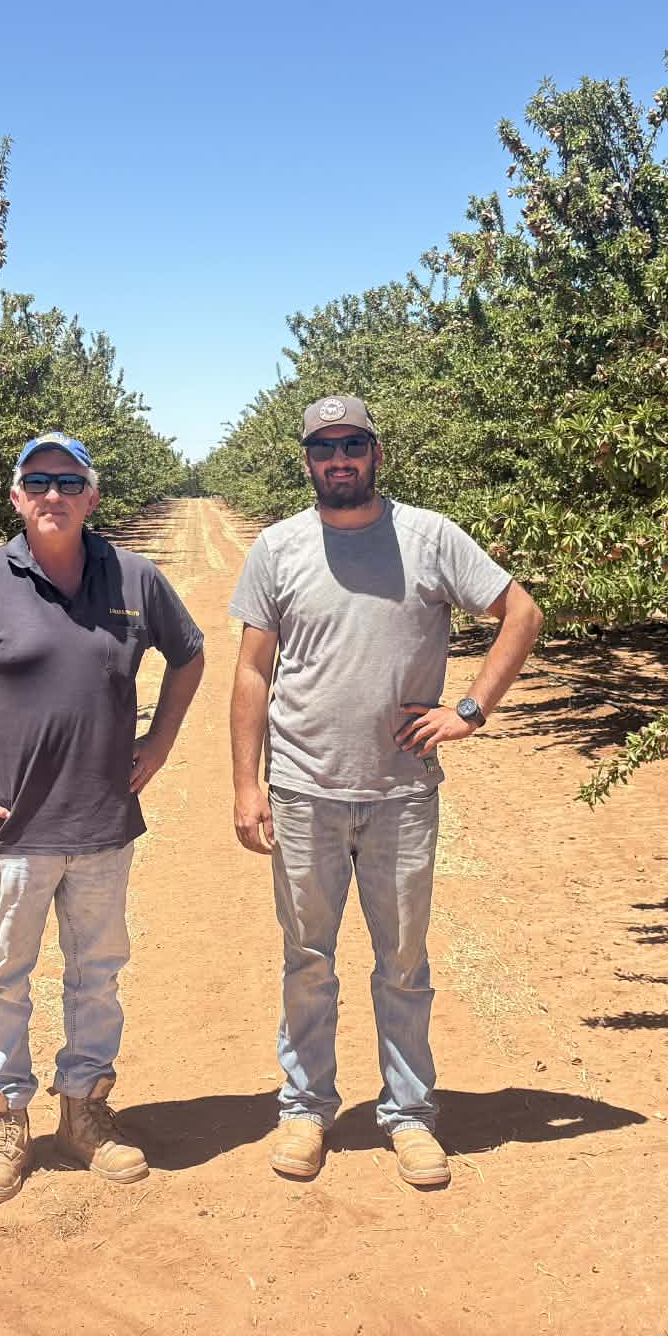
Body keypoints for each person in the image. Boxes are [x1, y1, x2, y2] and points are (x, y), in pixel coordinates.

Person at [0, 431, 206, 1206]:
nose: (52, 494)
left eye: (69, 481)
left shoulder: (133, 577)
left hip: (101, 825)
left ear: (93, 497)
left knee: (98, 977)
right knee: (1, 981)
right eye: (38, 481)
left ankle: (84, 1114)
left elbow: (188, 656)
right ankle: (4, 1120)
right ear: (17, 497)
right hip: (8, 833)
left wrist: (158, 743)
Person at [227, 395, 544, 1187]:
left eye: (353, 444)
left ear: (375, 452)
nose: (339, 458)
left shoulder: (430, 537)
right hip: (303, 791)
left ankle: (408, 1115)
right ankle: (305, 1109)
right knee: (307, 958)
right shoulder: (278, 547)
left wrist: (469, 709)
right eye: (324, 447)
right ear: (305, 459)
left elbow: (521, 613)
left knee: (402, 961)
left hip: (402, 793)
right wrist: (246, 784)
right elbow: (252, 670)